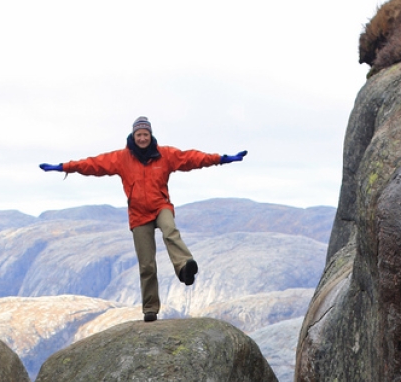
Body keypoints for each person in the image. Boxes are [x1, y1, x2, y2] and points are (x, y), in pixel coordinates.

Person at [40, 118, 247, 322]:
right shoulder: (122, 158)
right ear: (133, 135)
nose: (142, 138)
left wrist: (222, 158)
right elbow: (93, 164)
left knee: (170, 231)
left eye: (145, 134)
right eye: (139, 134)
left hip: (160, 206)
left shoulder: (165, 155)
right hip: (138, 214)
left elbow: (191, 158)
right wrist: (64, 166)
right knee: (146, 264)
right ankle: (150, 309)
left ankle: (184, 268)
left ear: (150, 135)